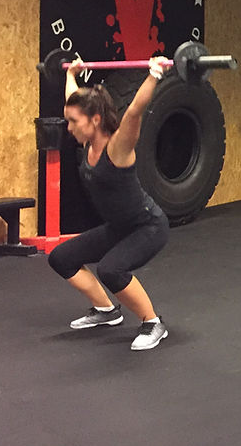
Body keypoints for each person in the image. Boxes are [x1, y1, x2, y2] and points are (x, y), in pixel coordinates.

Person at [47, 56, 171, 350]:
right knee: (61, 258)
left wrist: (155, 74)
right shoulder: (88, 140)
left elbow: (134, 112)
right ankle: (106, 310)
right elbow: (73, 99)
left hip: (147, 227)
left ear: (95, 120)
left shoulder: (118, 146)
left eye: (73, 122)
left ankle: (153, 322)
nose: (69, 127)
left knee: (111, 270)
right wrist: (71, 74)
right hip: (119, 227)